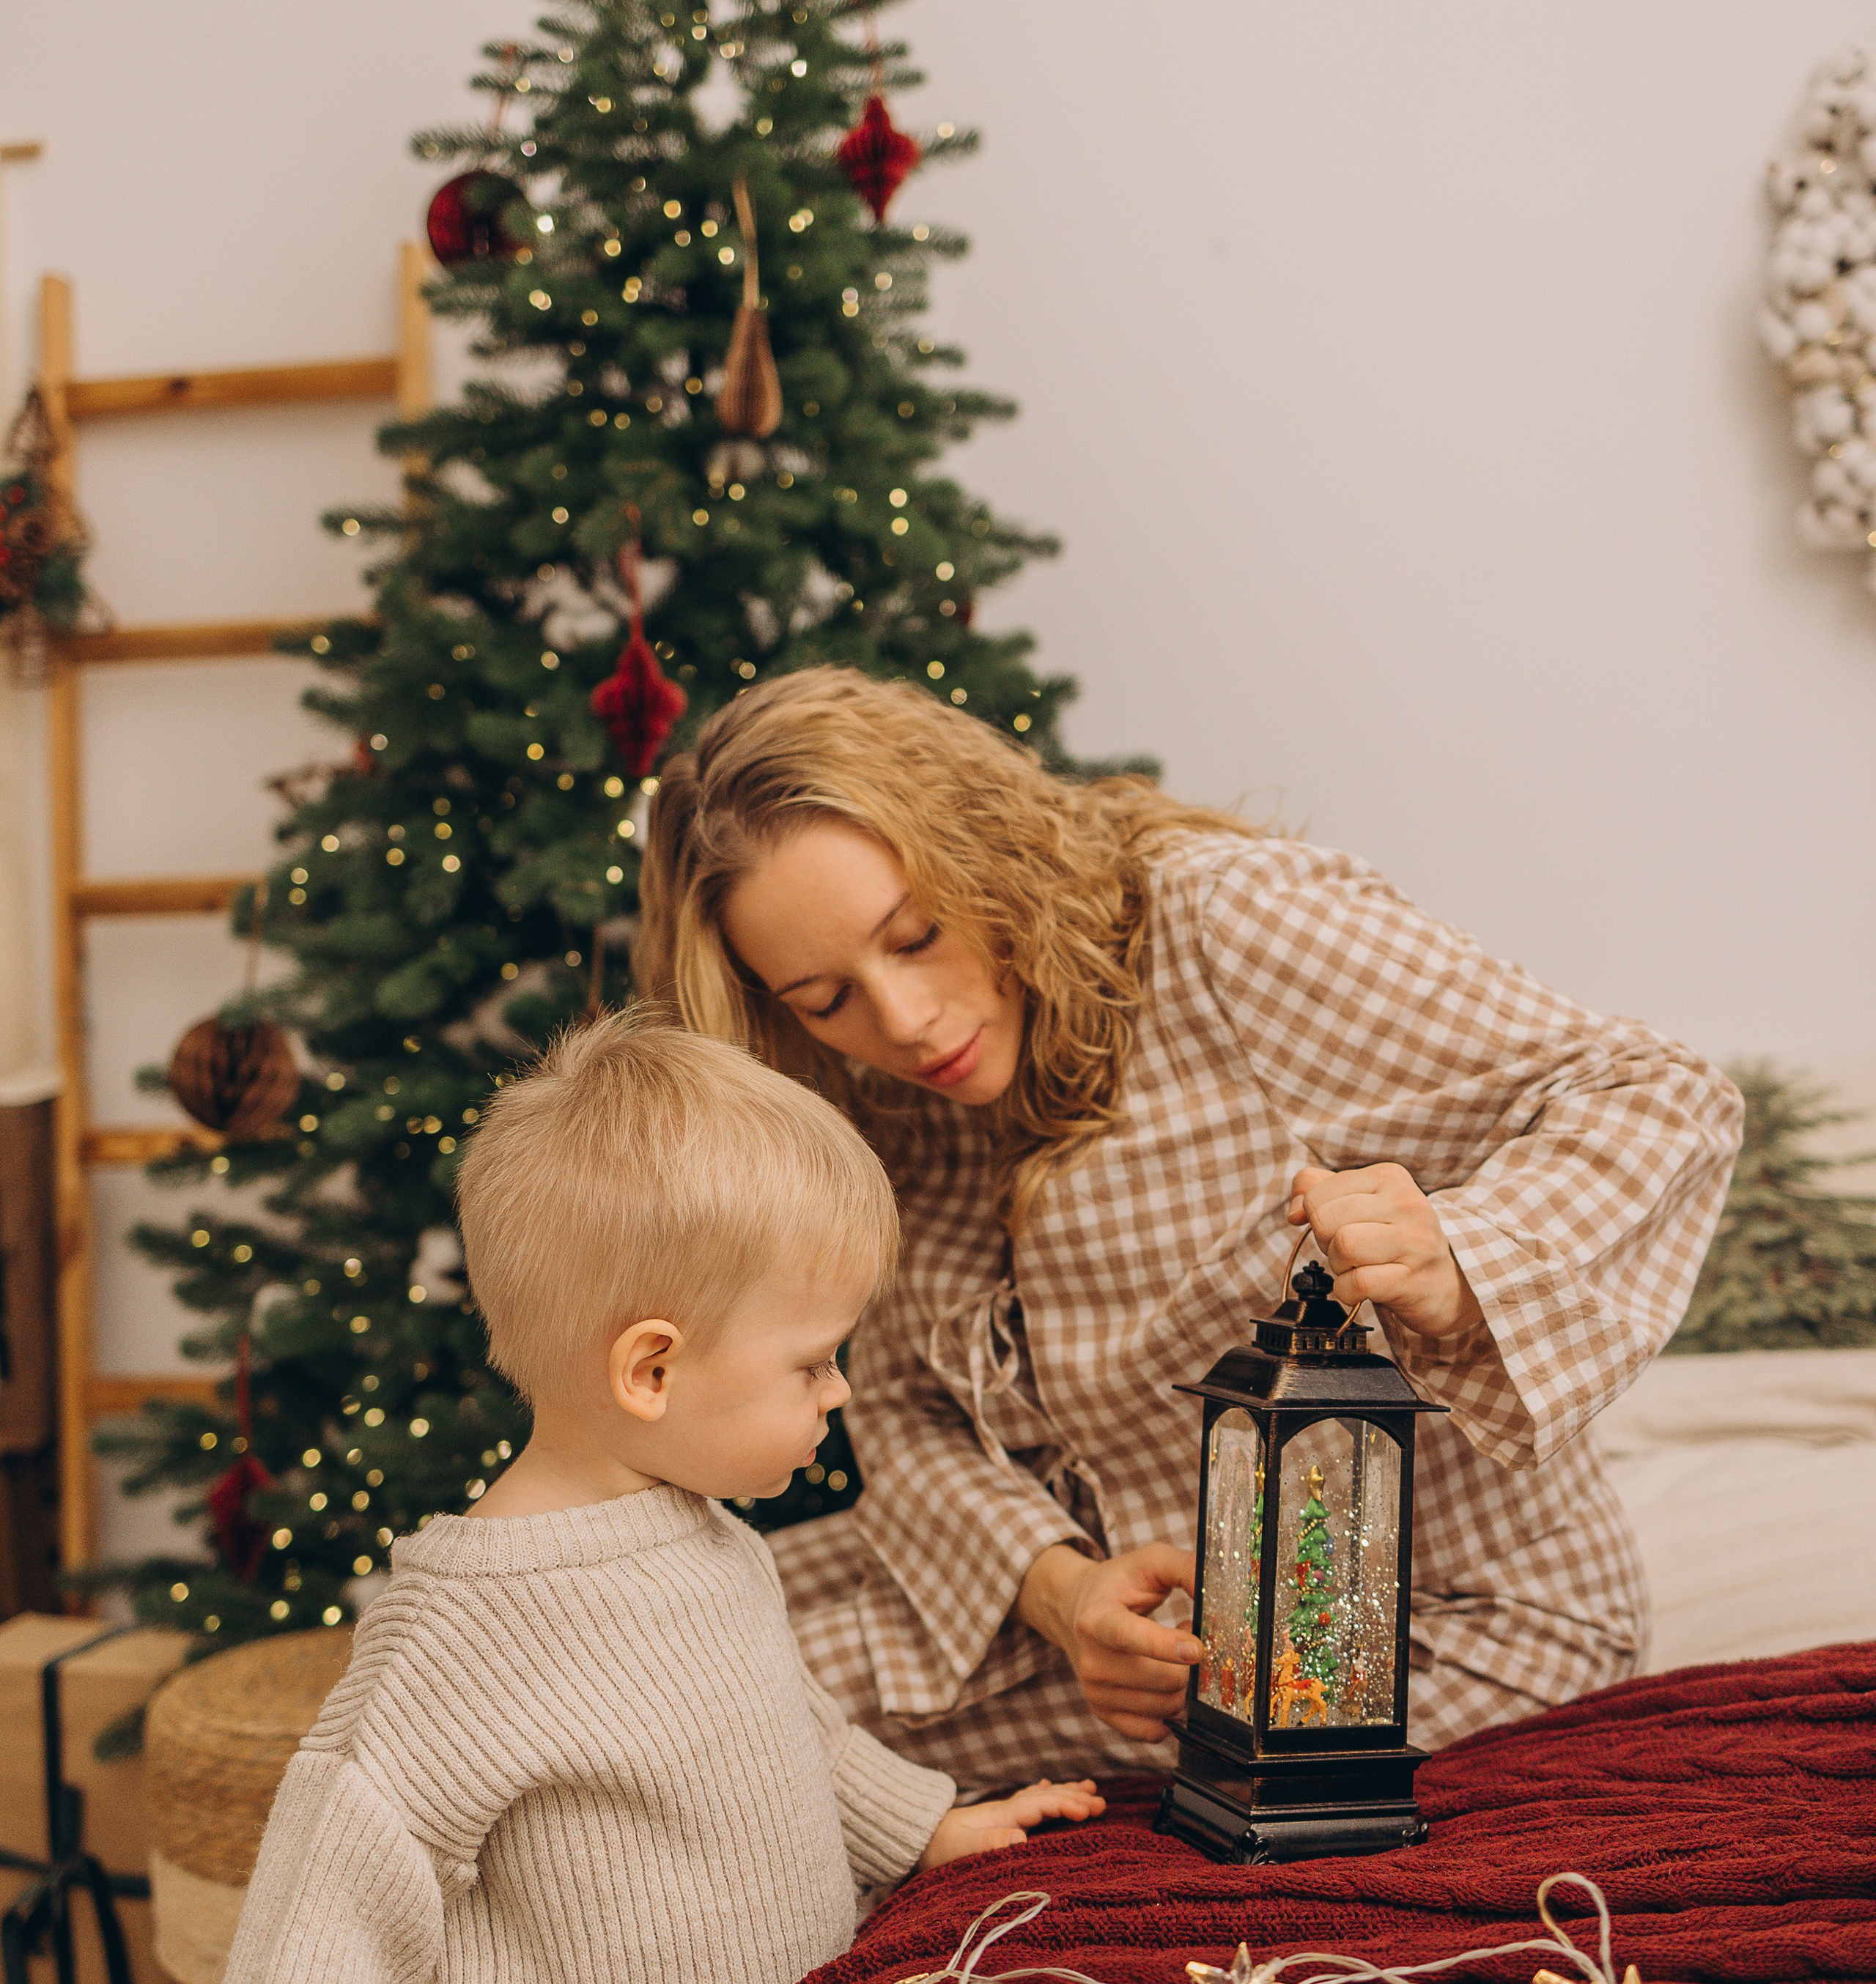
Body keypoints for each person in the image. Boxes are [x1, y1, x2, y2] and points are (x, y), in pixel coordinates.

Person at [153, 1014, 1098, 1984]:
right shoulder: (474, 1619)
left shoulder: (705, 1535)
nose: (839, 1393)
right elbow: (337, 1871)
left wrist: (928, 1827)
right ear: (650, 1369)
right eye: (813, 1362)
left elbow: (777, 1732)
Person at [637, 667, 1743, 1796]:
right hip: (1115, 1627)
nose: (906, 1022)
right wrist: (1062, 1594)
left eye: (917, 935)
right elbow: (907, 1413)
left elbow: (1659, 1091)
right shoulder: (878, 1096)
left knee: (722, 1743)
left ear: (980, 847)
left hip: (1437, 1633)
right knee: (655, 1657)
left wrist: (1458, 1259)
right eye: (827, 999)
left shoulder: (1223, 928)